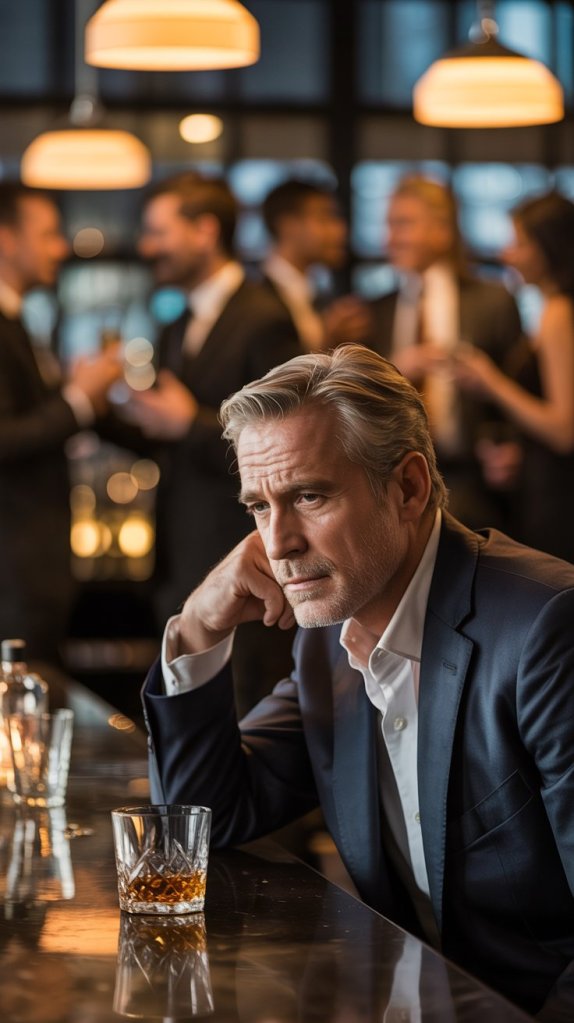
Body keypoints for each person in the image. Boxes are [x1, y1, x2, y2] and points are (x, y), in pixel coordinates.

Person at [143, 344, 574, 1020]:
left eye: (308, 496)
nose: (277, 543)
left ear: (408, 488)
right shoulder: (328, 643)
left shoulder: (548, 626)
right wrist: (199, 624)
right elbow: (200, 822)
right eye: (259, 506)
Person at [129, 173, 302, 710]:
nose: (147, 247)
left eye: (159, 232)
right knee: (186, 707)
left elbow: (290, 443)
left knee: (244, 718)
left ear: (205, 231)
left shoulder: (265, 318)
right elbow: (169, 439)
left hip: (244, 561)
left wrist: (189, 424)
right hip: (182, 560)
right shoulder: (177, 323)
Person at [0, 183, 122, 661]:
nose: (59, 248)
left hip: (31, 566)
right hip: (13, 570)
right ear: (6, 238)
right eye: (48, 234)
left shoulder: (17, 320)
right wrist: (78, 399)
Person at [366, 175, 523, 530]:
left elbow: (519, 387)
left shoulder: (493, 300)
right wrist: (395, 370)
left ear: (442, 231)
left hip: (477, 485)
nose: (389, 239)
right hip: (392, 486)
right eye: (388, 225)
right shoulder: (375, 310)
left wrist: (511, 447)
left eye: (402, 224)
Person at [454, 191, 574, 563]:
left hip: (557, 498)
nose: (508, 254)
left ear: (549, 248)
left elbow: (563, 429)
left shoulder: (558, 313)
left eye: (519, 243)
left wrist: (490, 381)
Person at [260, 178, 369, 351]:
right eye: (325, 218)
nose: (340, 230)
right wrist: (329, 341)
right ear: (288, 226)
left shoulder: (317, 297)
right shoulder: (257, 299)